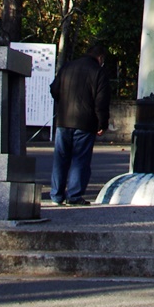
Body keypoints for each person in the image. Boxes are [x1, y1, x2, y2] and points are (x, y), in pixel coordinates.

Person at [49, 41, 110, 206]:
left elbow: (54, 89)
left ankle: (56, 195)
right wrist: (102, 124)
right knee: (80, 159)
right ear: (100, 57)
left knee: (61, 158)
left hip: (64, 119)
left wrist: (62, 103)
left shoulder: (67, 67)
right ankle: (74, 195)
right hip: (85, 121)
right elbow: (101, 101)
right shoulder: (98, 72)